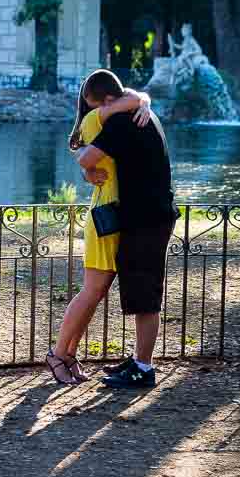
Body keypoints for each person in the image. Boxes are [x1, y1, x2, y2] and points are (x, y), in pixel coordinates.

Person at [46, 71, 151, 384]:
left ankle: (68, 353)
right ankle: (57, 354)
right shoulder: (98, 119)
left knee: (97, 292)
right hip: (106, 214)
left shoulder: (104, 119)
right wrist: (142, 100)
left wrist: (143, 100)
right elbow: (129, 99)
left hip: (115, 213)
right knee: (92, 290)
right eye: (104, 103)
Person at [77, 75, 179, 389]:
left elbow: (85, 157)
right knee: (141, 291)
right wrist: (141, 99)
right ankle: (138, 360)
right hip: (152, 214)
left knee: (145, 296)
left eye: (96, 110)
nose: (96, 117)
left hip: (144, 218)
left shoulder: (122, 122)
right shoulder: (144, 116)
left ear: (108, 102)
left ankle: (144, 368)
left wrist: (89, 169)